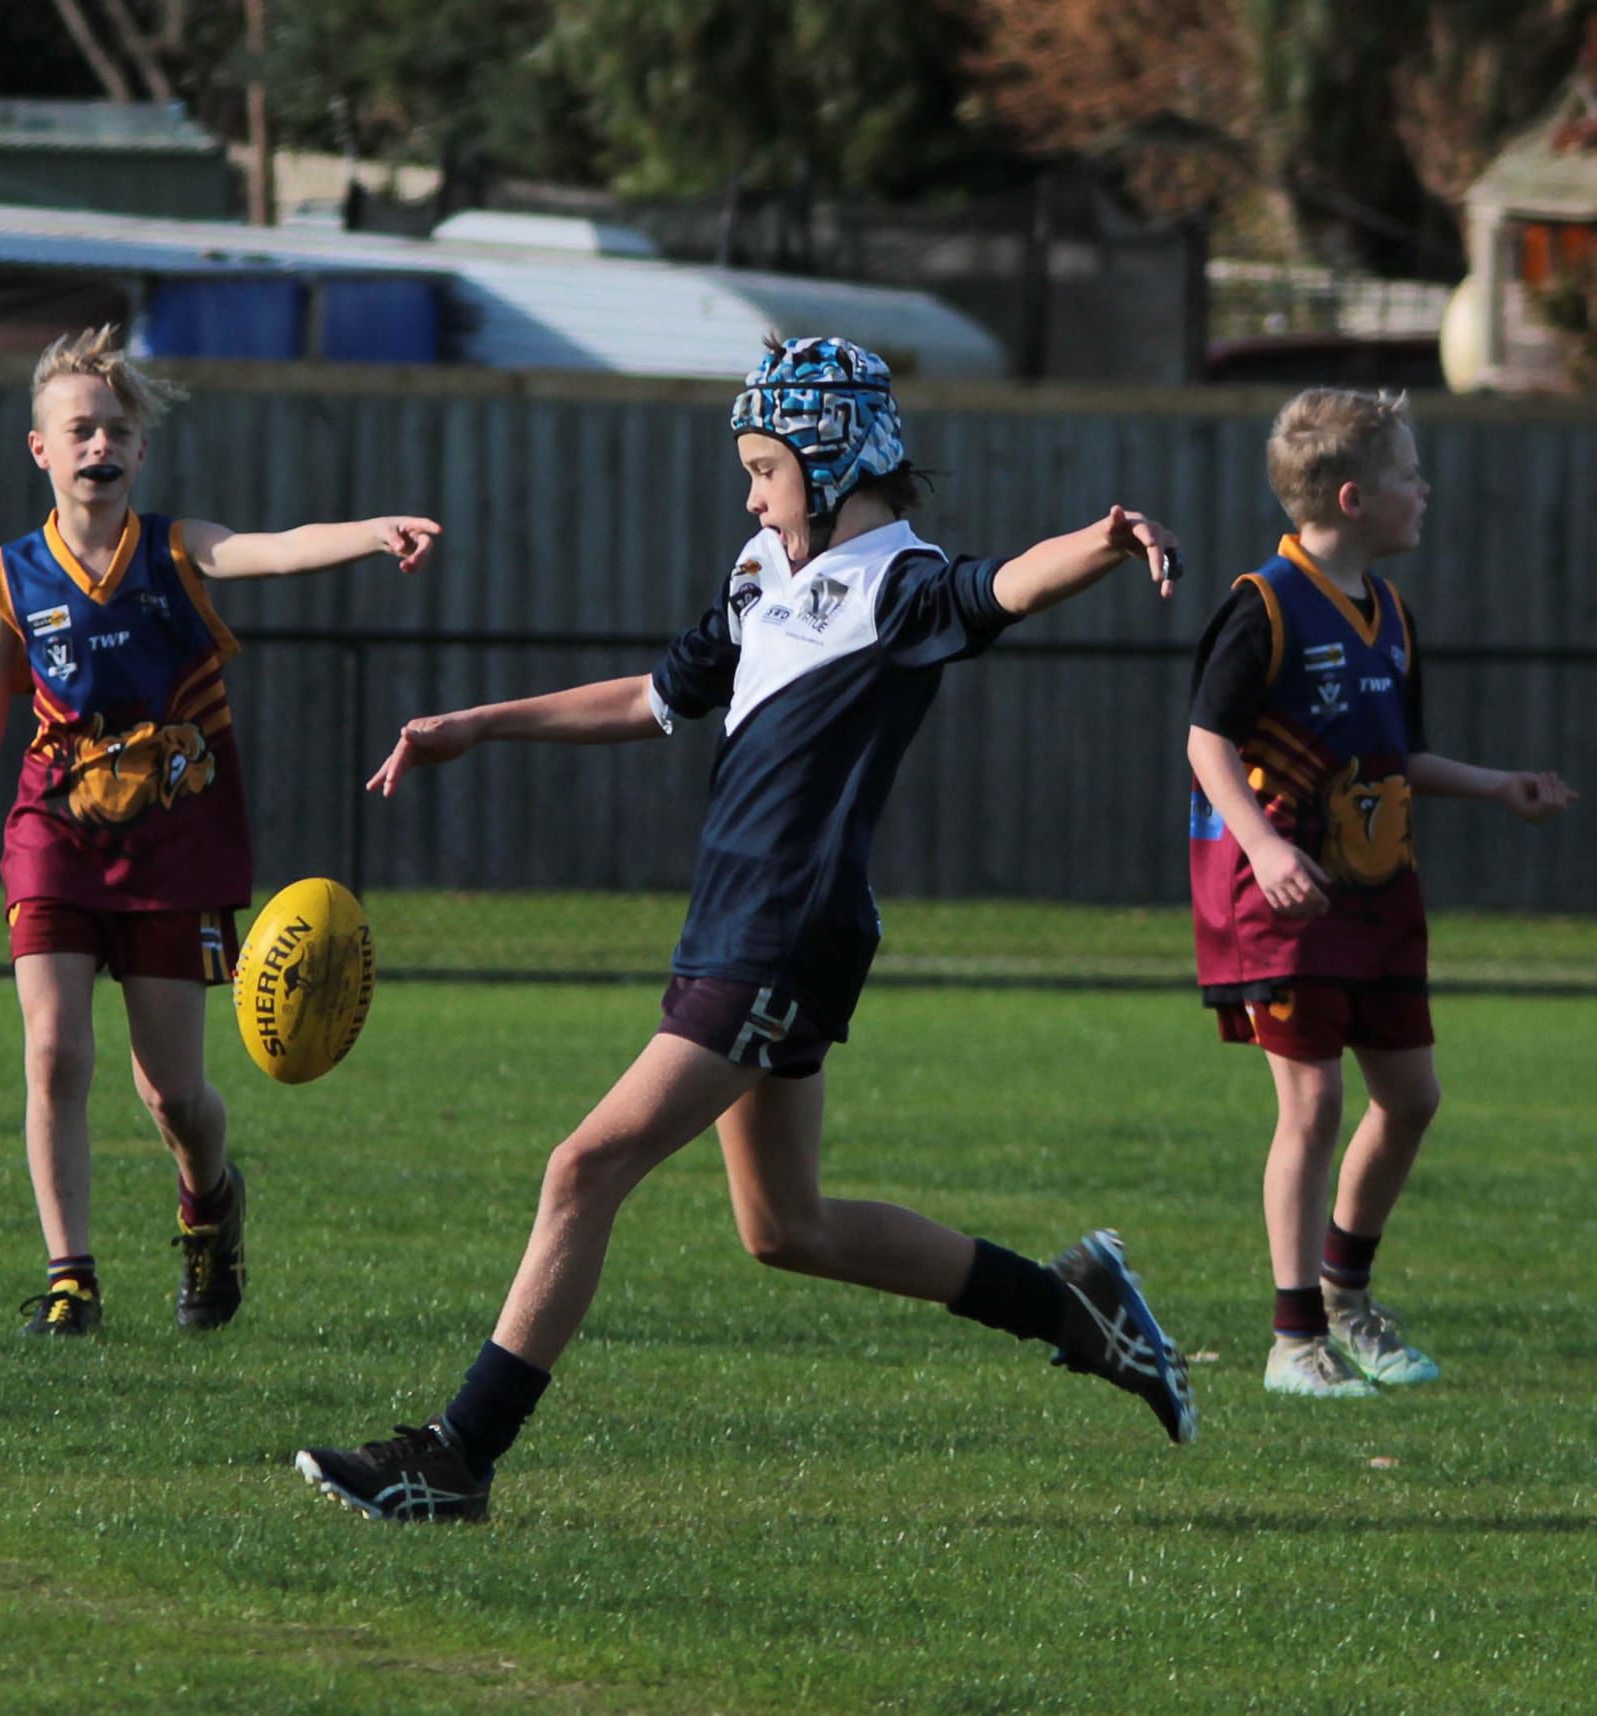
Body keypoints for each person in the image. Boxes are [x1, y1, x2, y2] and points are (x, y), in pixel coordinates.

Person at [294, 335, 1197, 1523]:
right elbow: (651, 698)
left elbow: (1003, 586)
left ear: (830, 467)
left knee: (583, 1168)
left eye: (764, 468)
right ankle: (1071, 1307)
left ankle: (457, 1455)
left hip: (782, 932)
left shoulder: (898, 584)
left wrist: (1103, 540)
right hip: (741, 923)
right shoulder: (761, 572)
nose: (749, 493)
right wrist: (478, 722)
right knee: (786, 1227)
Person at [0, 325, 439, 1337]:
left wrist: (370, 529)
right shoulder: (8, 575)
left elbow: (275, 550)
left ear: (139, 450)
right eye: (77, 430)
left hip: (175, 845)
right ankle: (71, 1277)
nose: (96, 447)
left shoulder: (173, 549)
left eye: (114, 429)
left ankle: (209, 1202)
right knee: (53, 1051)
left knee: (172, 1098)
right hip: (55, 833)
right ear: (41, 449)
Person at [1187, 387, 1575, 1399]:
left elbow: (1395, 755)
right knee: (1310, 1103)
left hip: (1376, 894)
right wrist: (1265, 847)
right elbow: (1205, 741)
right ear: (1353, 498)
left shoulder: (1389, 614)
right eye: (1409, 476)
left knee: (1409, 1097)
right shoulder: (1262, 604)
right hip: (1283, 902)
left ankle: (1346, 1298)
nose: (1424, 491)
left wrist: (1496, 787)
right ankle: (1290, 1340)